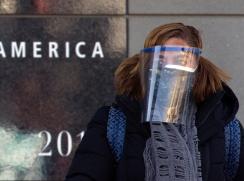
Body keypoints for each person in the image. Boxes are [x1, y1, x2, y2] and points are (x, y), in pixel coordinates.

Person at [65, 22, 244, 181]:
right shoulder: (114, 123)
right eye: (161, 60)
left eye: (180, 60)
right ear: (147, 65)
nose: (169, 68)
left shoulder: (226, 129)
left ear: (196, 66)